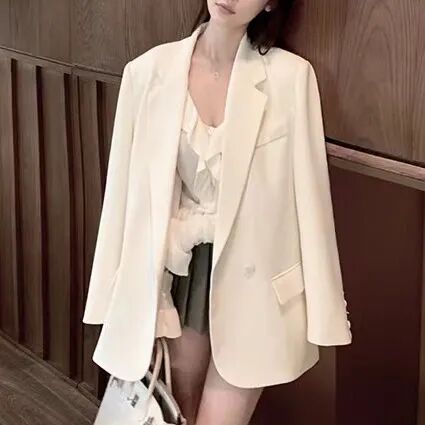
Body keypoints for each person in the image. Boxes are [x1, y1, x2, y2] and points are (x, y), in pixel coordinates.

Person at [82, 1, 353, 424]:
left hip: (258, 291)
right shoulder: (148, 73)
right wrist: (107, 299)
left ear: (270, 3)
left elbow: (311, 197)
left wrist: (325, 312)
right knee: (178, 413)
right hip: (178, 280)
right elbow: (121, 197)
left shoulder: (291, 78)